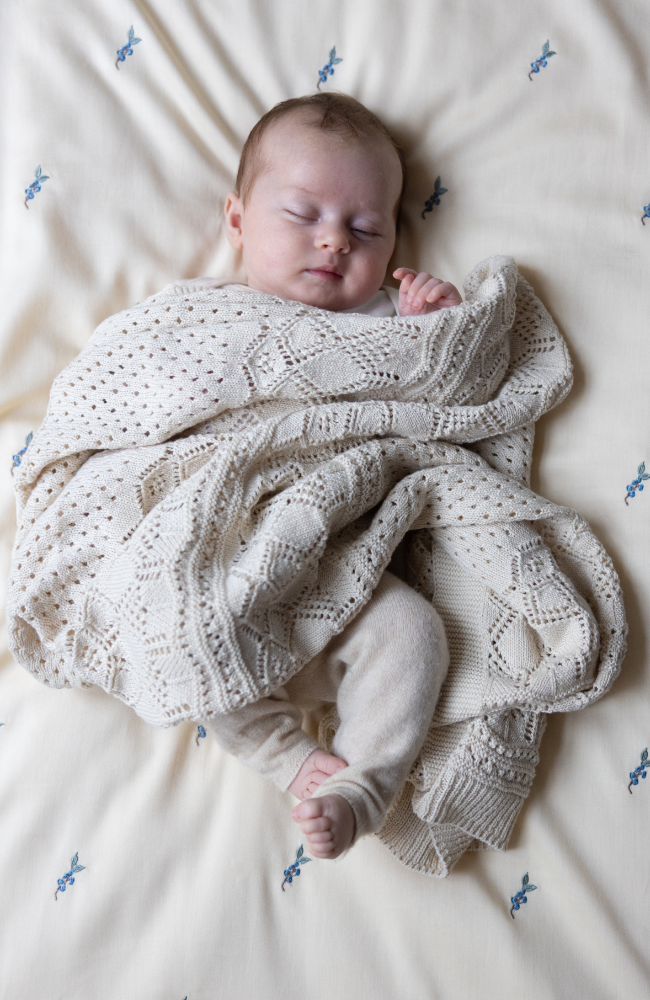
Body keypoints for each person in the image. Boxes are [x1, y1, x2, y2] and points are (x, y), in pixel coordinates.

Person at [201, 92, 462, 861]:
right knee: (182, 627)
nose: (334, 241)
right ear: (238, 220)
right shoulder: (203, 320)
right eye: (302, 214)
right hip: (233, 559)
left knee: (415, 633)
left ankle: (362, 787)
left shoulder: (383, 321)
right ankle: (283, 752)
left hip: (342, 575)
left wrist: (437, 328)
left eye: (366, 229)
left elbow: (444, 392)